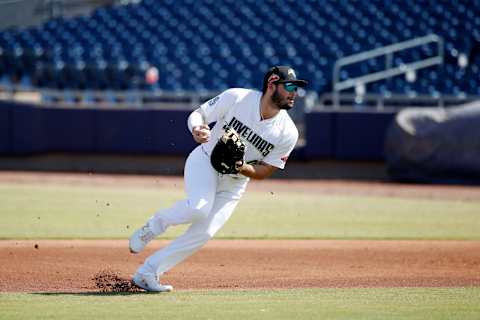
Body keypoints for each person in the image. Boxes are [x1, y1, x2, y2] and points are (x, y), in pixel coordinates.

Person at [129, 65, 308, 292]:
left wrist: (240, 166)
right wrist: (197, 129)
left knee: (204, 232)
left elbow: (264, 172)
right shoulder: (238, 97)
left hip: (235, 181)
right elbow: (199, 114)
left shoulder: (288, 133)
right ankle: (153, 226)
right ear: (272, 84)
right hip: (205, 160)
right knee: (199, 209)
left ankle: (147, 273)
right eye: (290, 86)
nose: (295, 93)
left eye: (297, 88)